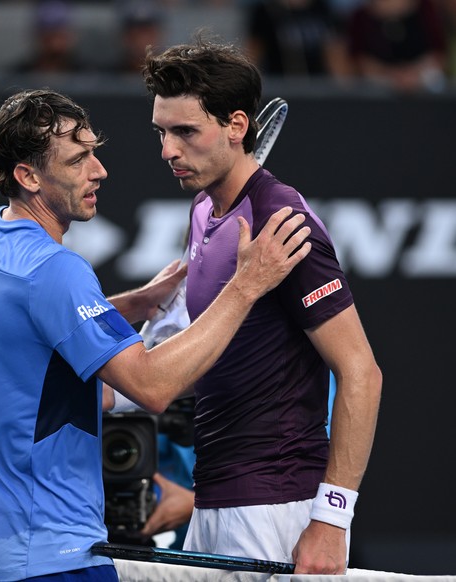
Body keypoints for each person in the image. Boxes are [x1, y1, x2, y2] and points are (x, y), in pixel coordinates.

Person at [0, 87, 312, 582]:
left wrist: (128, 306)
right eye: (77, 160)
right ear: (28, 176)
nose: (99, 171)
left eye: (94, 152)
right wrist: (246, 286)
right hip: (48, 560)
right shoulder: (58, 271)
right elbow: (152, 387)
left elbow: (30, 340)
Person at [141, 34, 382, 574]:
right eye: (161, 132)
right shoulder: (204, 209)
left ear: (236, 126)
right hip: (213, 498)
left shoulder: (284, 225)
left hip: (276, 510)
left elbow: (362, 372)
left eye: (184, 132)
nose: (167, 151)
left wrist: (331, 520)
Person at [345, 0, 447, 92]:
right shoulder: (360, 17)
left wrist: (415, 75)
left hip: (424, 94)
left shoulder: (426, 9)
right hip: (377, 97)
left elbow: (438, 53)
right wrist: (390, 77)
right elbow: (358, 60)